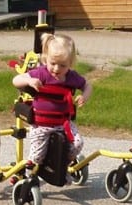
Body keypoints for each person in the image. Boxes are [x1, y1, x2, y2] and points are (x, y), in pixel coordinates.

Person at [12, 32, 93, 165]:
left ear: (70, 63)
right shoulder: (41, 73)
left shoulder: (71, 77)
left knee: (77, 144)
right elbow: (16, 80)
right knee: (37, 157)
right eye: (53, 63)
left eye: (63, 65)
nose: (56, 69)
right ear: (45, 59)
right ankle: (31, 172)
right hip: (41, 124)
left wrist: (84, 96)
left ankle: (62, 165)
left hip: (64, 123)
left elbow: (87, 85)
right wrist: (29, 80)